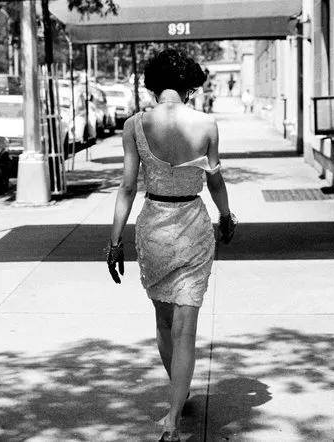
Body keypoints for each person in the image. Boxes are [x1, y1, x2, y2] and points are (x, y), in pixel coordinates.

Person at [105, 49, 237, 442]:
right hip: (194, 225)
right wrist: (226, 216)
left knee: (164, 323)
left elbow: (128, 187)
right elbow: (214, 182)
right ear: (189, 85)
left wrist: (114, 242)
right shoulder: (207, 124)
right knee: (186, 328)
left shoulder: (134, 125)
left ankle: (178, 393)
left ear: (152, 83)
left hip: (154, 226)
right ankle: (173, 420)